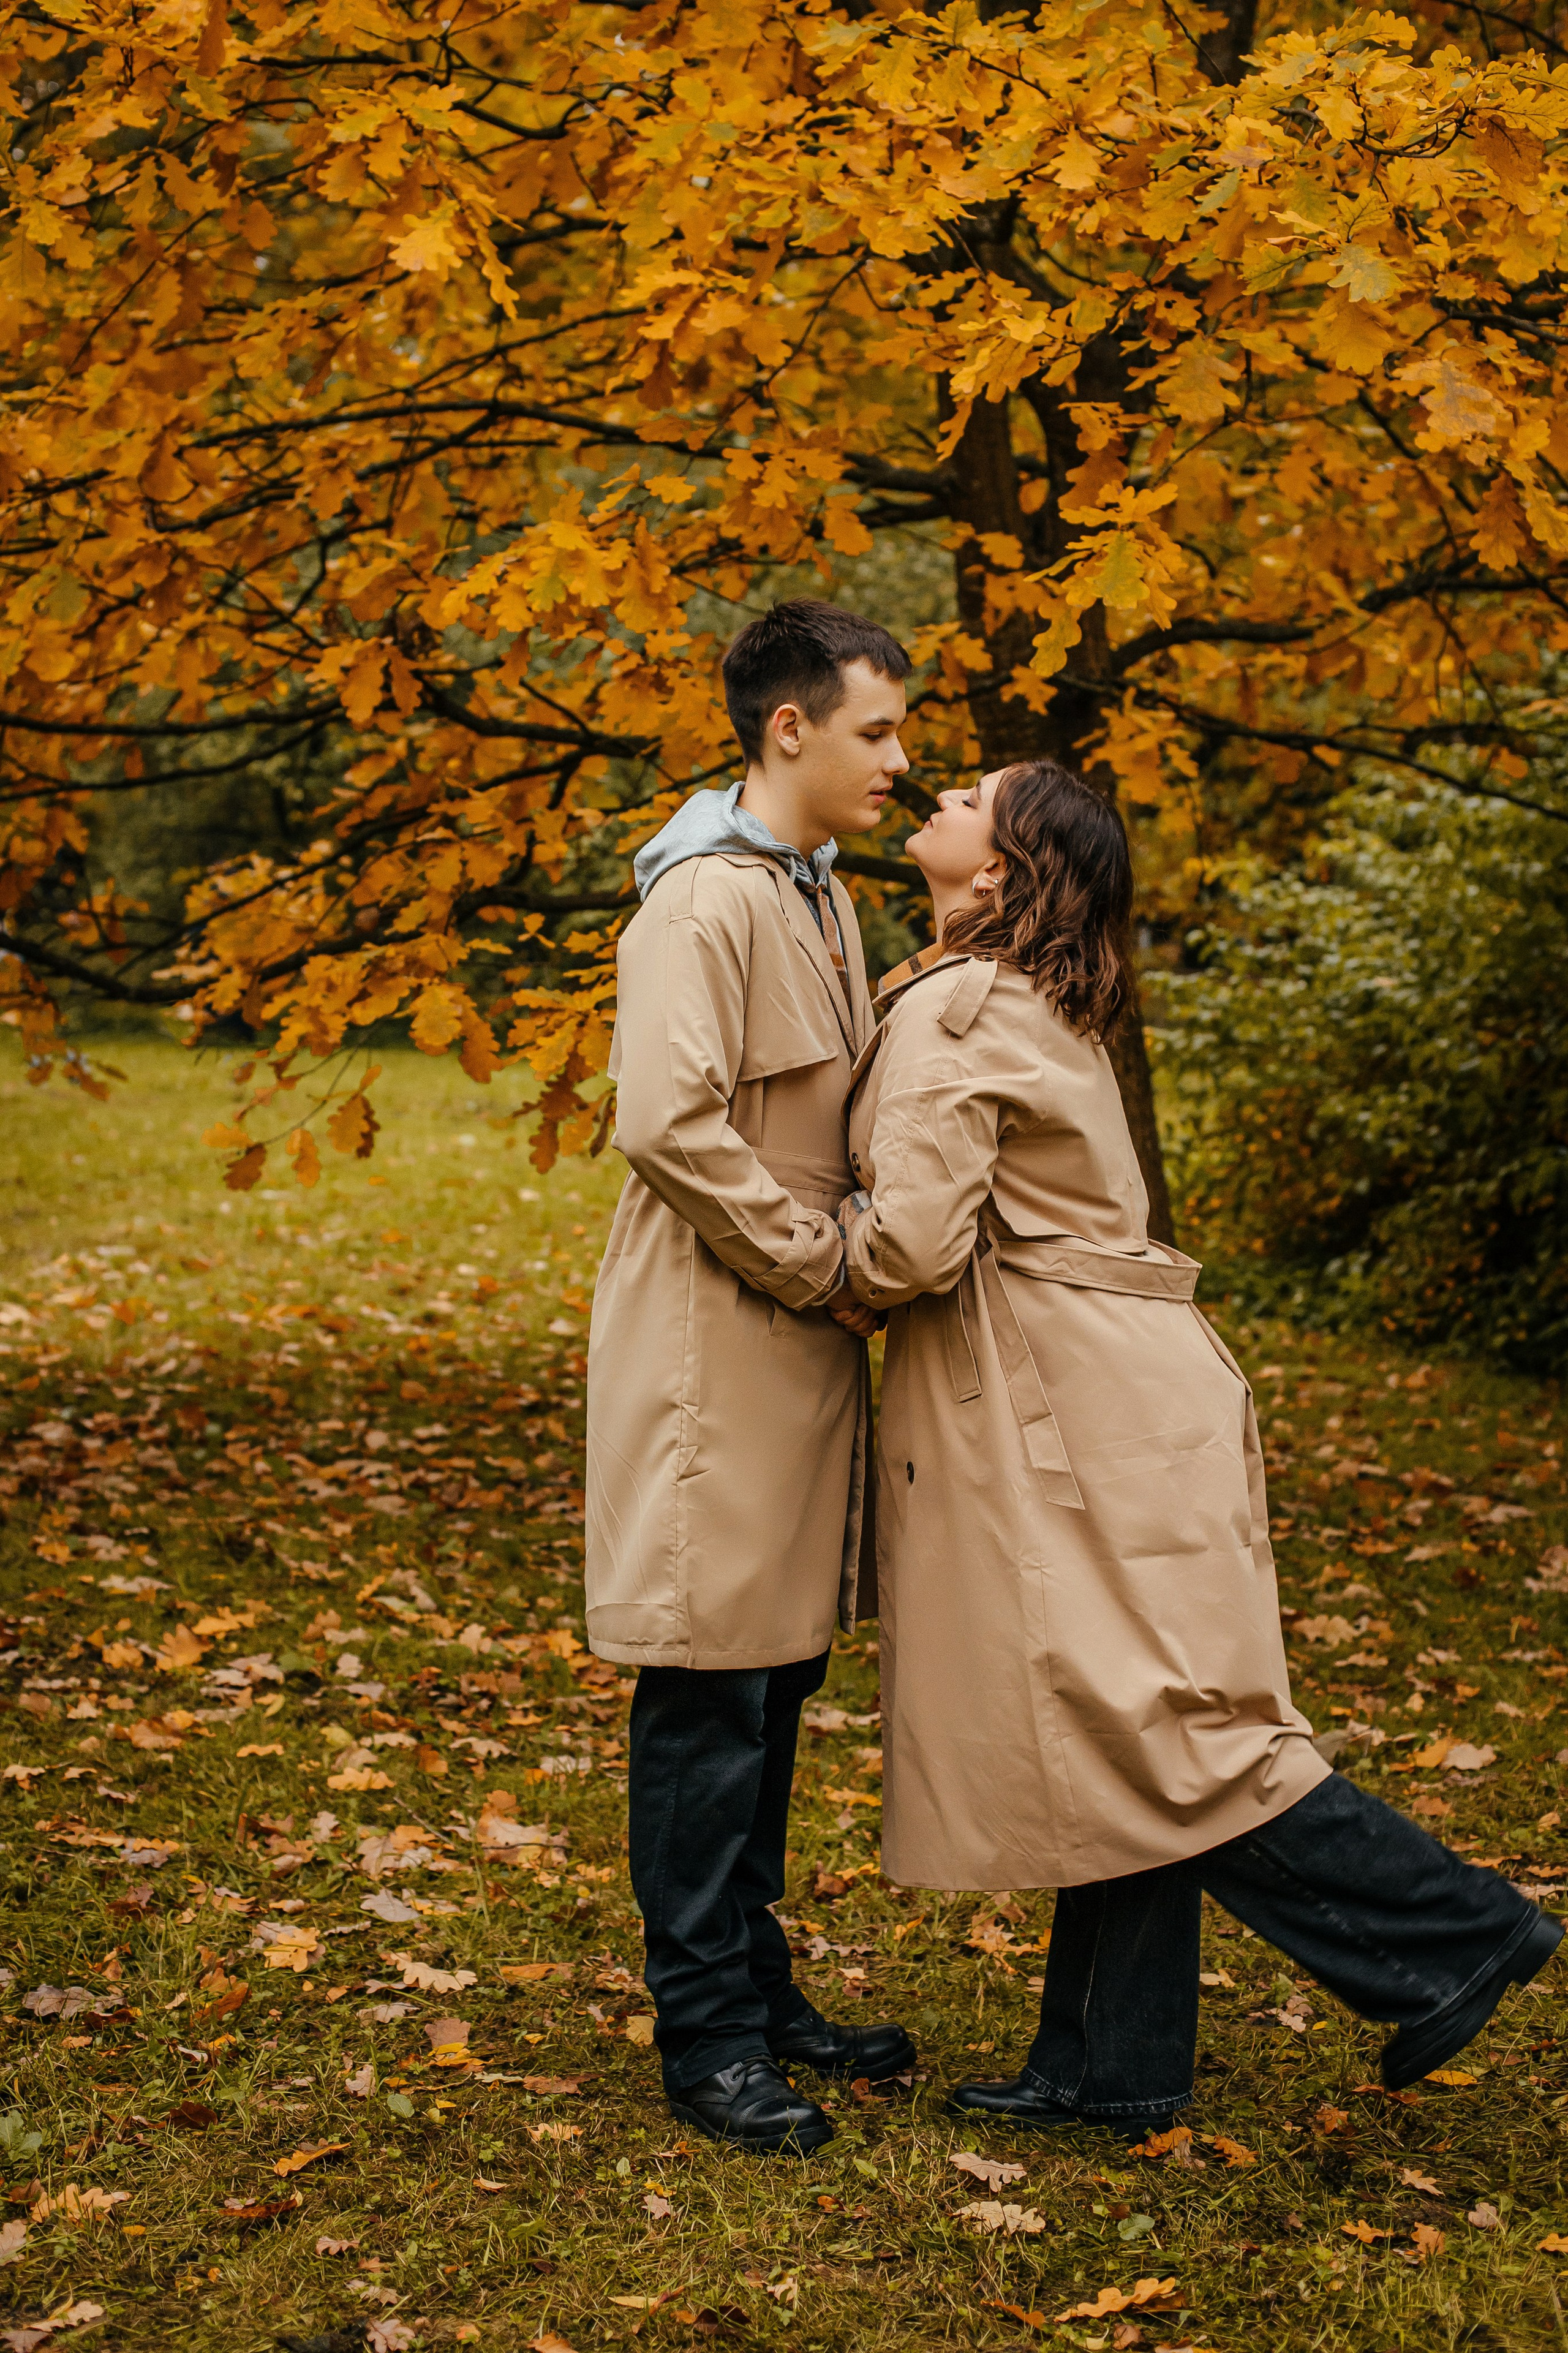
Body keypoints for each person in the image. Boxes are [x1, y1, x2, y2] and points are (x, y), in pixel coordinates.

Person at [837, 758, 1561, 2133]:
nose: (937, 790)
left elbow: (914, 1244)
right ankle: (1110, 2066)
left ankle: (1449, 1937)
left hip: (1059, 1401)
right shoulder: (1037, 1002)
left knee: (1156, 1730)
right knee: (1117, 1723)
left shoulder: (959, 1007)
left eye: (972, 795)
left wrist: (816, 1270)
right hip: (1122, 1388)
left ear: (997, 873)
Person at [584, 600, 918, 2153]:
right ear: (787, 729)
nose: (898, 764)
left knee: (775, 1681)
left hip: (802, 1347)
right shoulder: (702, 904)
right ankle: (706, 2037)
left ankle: (761, 1991)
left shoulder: (821, 901)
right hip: (722, 1342)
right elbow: (666, 1117)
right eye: (875, 732)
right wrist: (817, 1258)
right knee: (708, 1695)